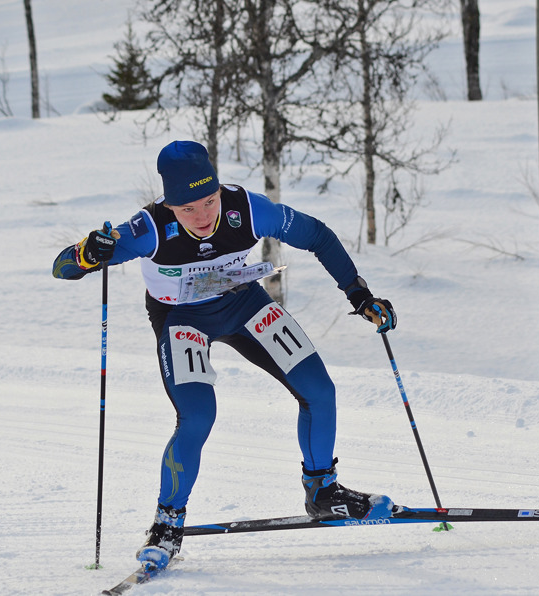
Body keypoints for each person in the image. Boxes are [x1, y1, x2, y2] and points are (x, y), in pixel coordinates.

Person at [52, 140, 398, 571]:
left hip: (243, 303)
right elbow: (62, 267)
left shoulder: (249, 209)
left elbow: (318, 236)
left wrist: (359, 294)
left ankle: (323, 492)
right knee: (198, 416)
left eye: (210, 200)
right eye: (189, 209)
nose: (204, 216)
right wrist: (89, 252)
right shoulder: (148, 228)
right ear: (170, 205)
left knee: (319, 389)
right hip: (182, 320)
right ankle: (167, 523)